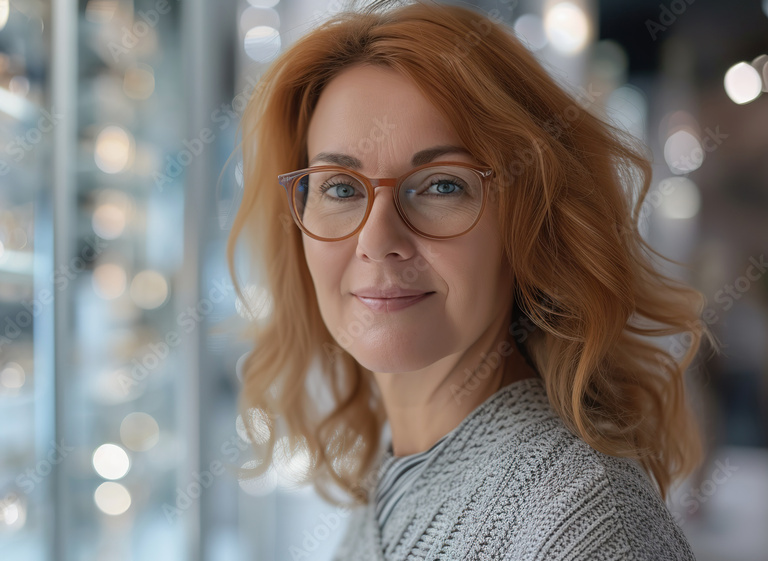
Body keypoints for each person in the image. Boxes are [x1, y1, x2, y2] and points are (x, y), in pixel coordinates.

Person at [225, 1, 719, 559]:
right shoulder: (397, 475)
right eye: (340, 188)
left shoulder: (581, 525)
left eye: (441, 186)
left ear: (532, 223)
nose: (377, 239)